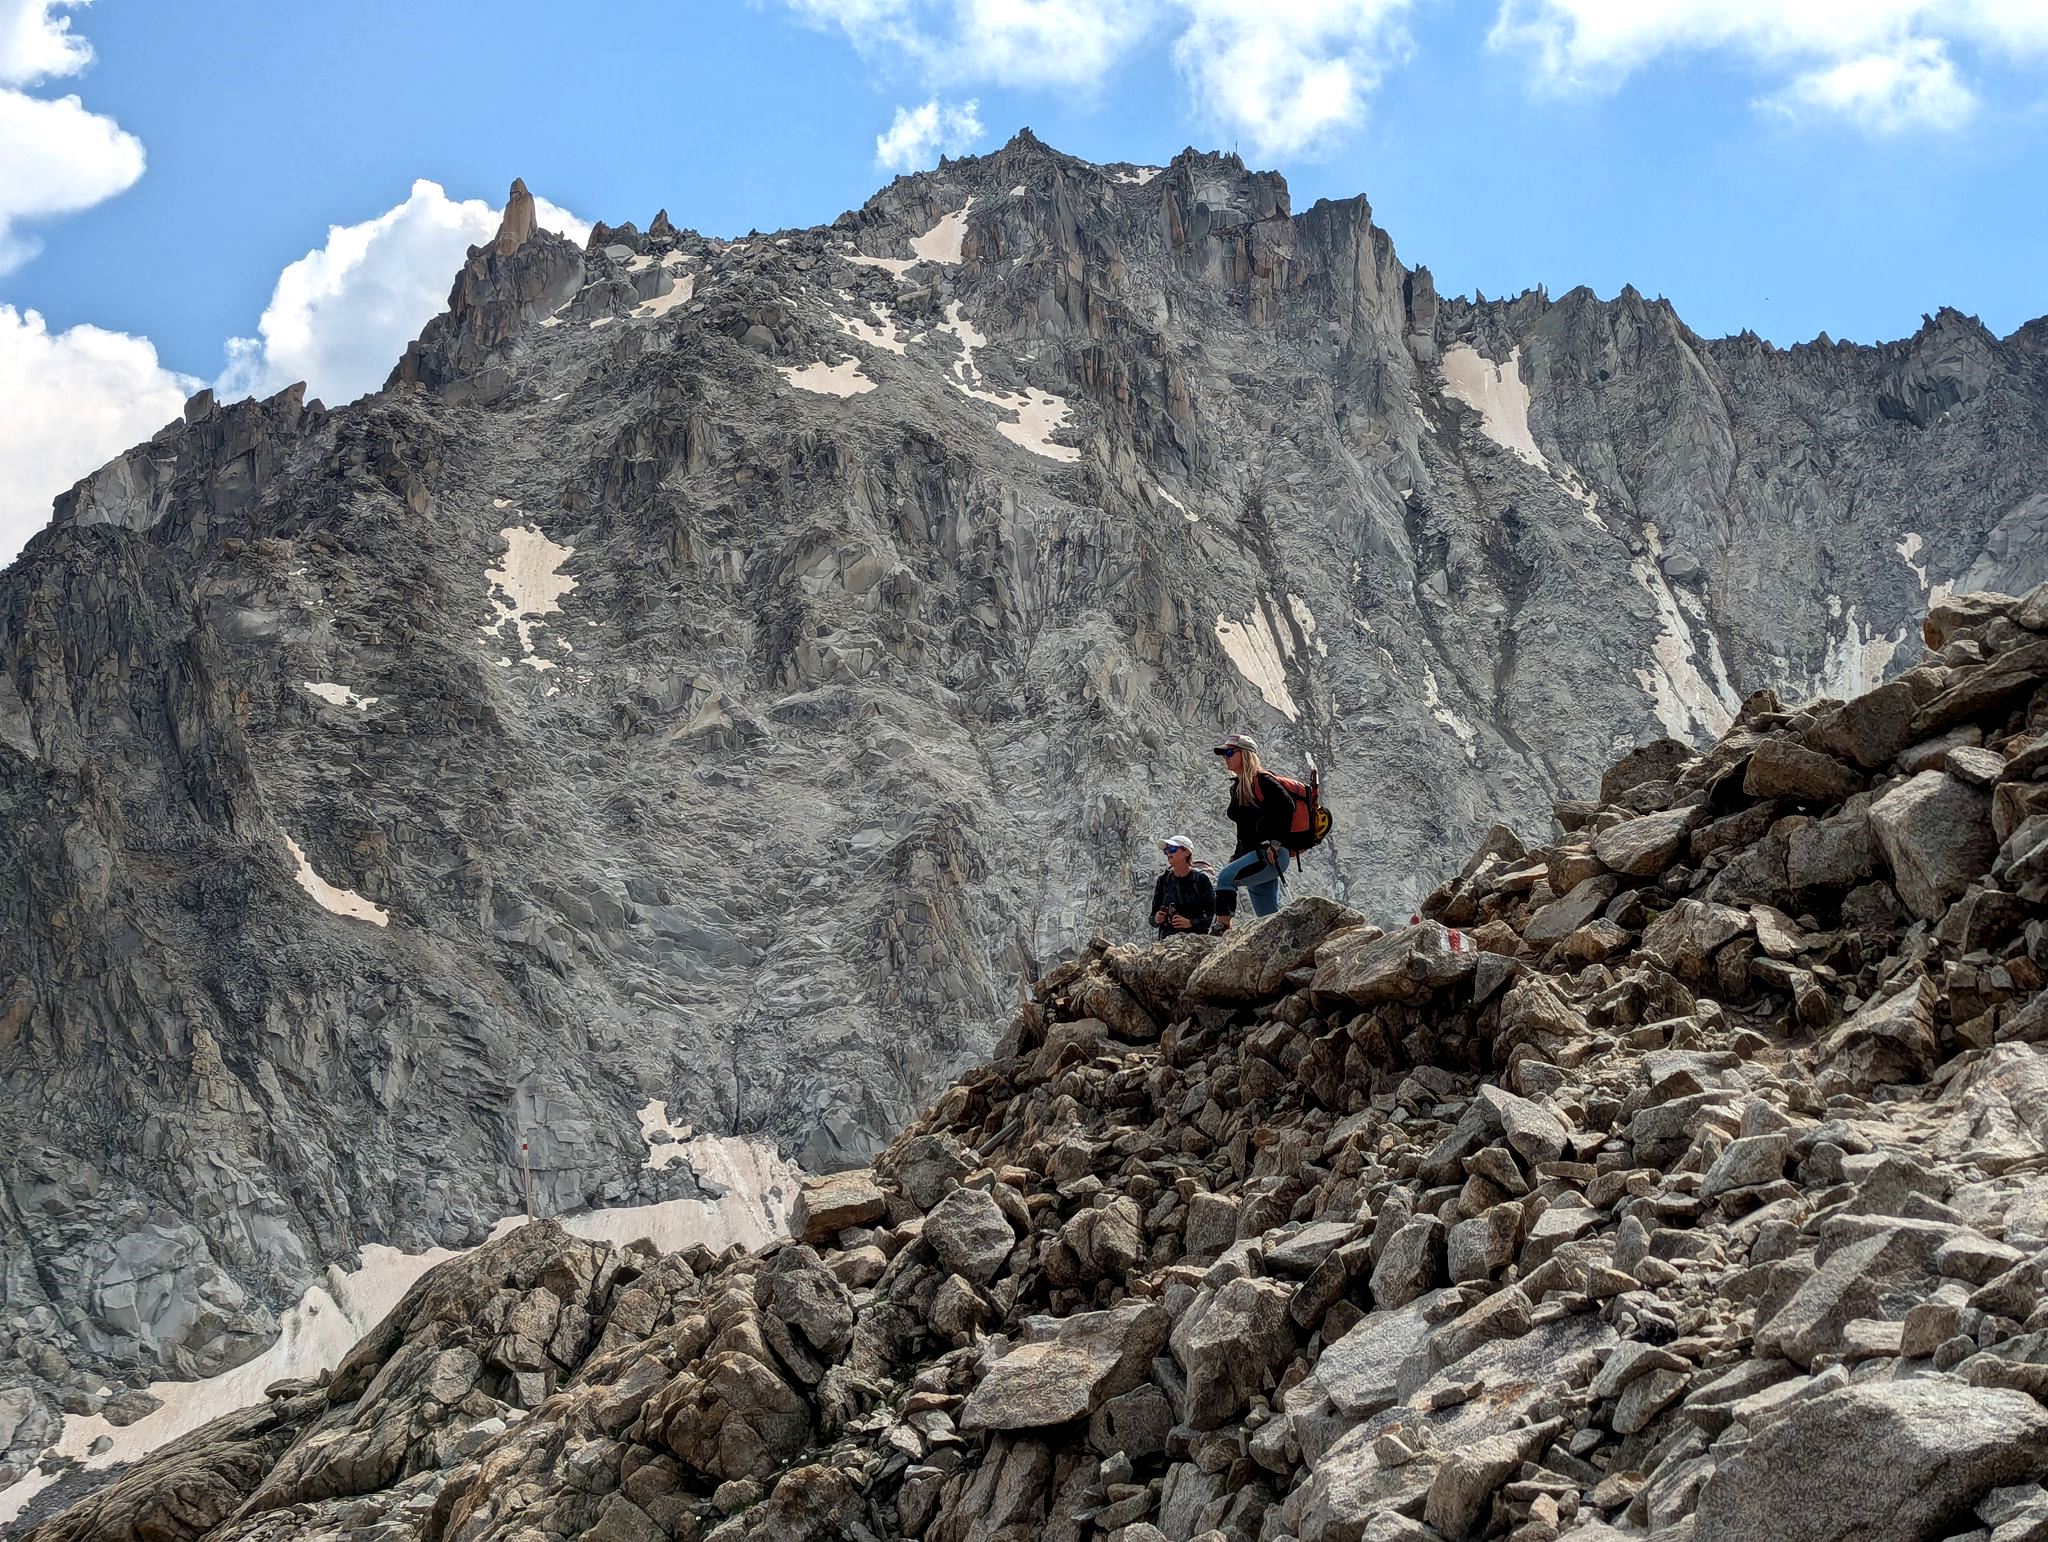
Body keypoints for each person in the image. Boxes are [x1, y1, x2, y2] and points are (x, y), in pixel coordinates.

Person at [1210, 733, 1294, 931]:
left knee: (1225, 877)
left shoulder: (1263, 780)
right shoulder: (1238, 786)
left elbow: (1287, 807)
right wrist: (1238, 855)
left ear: (1245, 755)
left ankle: (1222, 928)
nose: (1226, 757)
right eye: (1224, 754)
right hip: (1254, 855)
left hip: (1270, 854)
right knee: (1268, 915)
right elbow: (1244, 829)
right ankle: (1286, 941)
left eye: (1230, 752)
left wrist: (1275, 843)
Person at [1150, 835, 1215, 939]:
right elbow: (1152, 918)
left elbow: (1213, 916)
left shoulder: (1201, 879)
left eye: (1172, 849)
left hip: (1195, 941)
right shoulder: (1163, 880)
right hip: (1166, 942)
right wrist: (1157, 919)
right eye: (1166, 851)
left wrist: (1191, 923)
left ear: (1187, 852)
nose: (1168, 853)